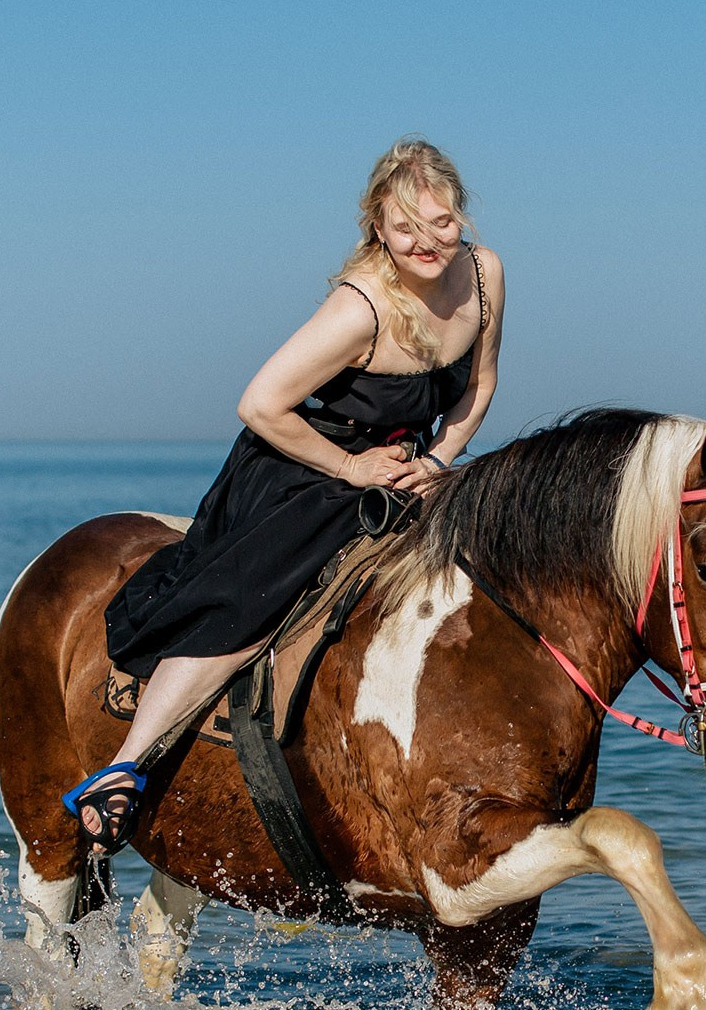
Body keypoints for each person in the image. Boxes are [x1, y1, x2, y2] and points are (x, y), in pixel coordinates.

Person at [62, 139, 504, 847]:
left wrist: (440, 457)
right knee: (252, 607)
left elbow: (478, 385)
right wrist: (353, 469)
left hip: (407, 465)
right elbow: (261, 404)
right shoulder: (358, 309)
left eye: (442, 224)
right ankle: (123, 766)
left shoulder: (484, 276)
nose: (427, 244)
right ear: (377, 231)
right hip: (302, 465)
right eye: (405, 230)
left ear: (463, 215)